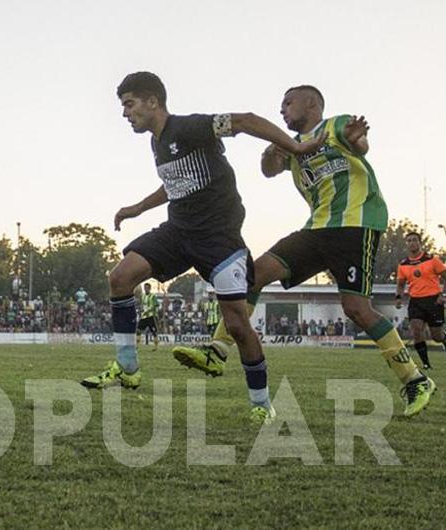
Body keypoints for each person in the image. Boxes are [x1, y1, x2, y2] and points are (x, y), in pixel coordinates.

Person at [174, 85, 436, 417]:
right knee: (252, 275)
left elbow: (360, 143)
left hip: (355, 224)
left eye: (287, 103)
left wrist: (357, 140)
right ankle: (217, 349)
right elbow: (268, 170)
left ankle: (414, 379)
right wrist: (272, 154)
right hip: (316, 228)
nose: (281, 109)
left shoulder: (334, 126)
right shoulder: (292, 145)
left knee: (356, 308)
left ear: (310, 104)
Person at [80, 71, 326, 424]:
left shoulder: (190, 128)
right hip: (178, 232)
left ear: (153, 101)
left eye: (129, 104)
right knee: (121, 277)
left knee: (238, 326)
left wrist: (297, 147)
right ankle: (126, 366)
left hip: (218, 238)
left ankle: (261, 404)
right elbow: (175, 183)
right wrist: (136, 208)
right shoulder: (158, 143)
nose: (125, 113)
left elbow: (246, 121)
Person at [396, 231, 446, 369]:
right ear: (406, 244)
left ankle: (444, 339)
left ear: (420, 242)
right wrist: (399, 297)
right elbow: (400, 284)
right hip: (416, 301)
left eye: (414, 240)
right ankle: (426, 364)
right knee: (416, 331)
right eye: (409, 240)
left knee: (437, 336)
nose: (412, 243)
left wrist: (443, 295)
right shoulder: (403, 264)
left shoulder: (432, 260)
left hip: (433, 301)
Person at [136, 283, 160, 350]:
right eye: (145, 288)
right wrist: (141, 310)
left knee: (154, 332)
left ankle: (156, 347)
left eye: (147, 288)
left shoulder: (153, 296)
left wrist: (150, 310)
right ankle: (137, 346)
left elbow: (156, 305)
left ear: (149, 288)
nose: (145, 289)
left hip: (151, 316)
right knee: (138, 330)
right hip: (144, 316)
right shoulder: (143, 296)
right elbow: (143, 305)